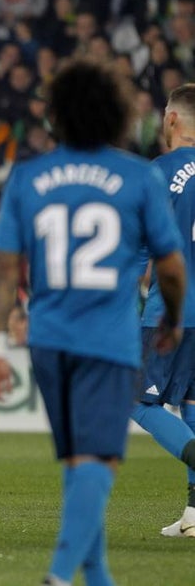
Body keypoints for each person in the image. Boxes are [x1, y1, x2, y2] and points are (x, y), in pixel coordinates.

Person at [0, 59, 186, 586]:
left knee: (78, 461)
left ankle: (97, 577)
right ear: (116, 113)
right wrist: (173, 319)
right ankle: (58, 573)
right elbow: (169, 264)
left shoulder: (28, 177)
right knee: (98, 461)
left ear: (57, 117)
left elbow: (5, 275)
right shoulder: (138, 176)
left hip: (49, 340)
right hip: (110, 339)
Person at [137, 83, 195, 538]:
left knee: (135, 398)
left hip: (171, 311)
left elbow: (138, 248)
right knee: (192, 407)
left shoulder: (158, 172)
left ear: (172, 119)